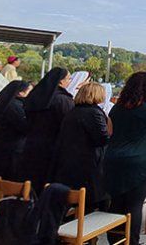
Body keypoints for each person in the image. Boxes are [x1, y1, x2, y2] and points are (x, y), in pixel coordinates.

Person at [105, 72, 146, 245]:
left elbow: (109, 132)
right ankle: (132, 242)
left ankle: (115, 239)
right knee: (134, 203)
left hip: (113, 158)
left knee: (116, 202)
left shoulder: (117, 106)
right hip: (140, 159)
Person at [52, 82, 110, 211]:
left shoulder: (73, 111)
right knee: (93, 197)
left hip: (71, 157)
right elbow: (101, 138)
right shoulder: (94, 113)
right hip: (89, 160)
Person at [19, 67, 72, 194]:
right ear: (61, 81)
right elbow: (68, 123)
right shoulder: (62, 99)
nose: (70, 81)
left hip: (31, 143)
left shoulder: (35, 96)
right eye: (68, 78)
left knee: (30, 183)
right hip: (52, 146)